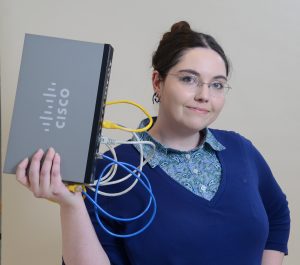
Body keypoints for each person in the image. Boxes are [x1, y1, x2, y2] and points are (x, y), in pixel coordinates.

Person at [16, 21, 290, 265]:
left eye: (217, 84)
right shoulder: (111, 172)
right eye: (189, 79)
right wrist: (70, 203)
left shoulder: (241, 150)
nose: (204, 95)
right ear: (157, 82)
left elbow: (278, 215)